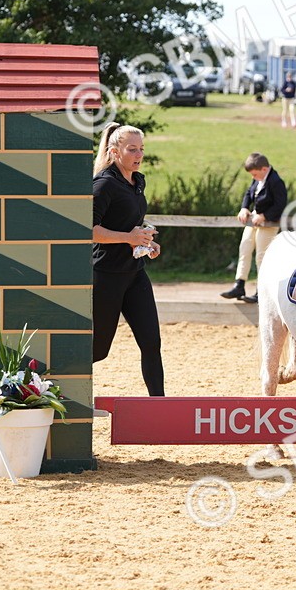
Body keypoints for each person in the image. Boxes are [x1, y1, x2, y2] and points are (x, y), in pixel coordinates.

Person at [92, 122, 165, 396]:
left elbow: (129, 224)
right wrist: (128, 238)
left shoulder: (137, 181)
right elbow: (89, 231)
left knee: (151, 342)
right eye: (132, 149)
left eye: (141, 149)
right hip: (106, 275)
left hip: (135, 273)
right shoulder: (103, 184)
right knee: (98, 350)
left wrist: (146, 242)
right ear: (114, 151)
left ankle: (160, 405)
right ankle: (50, 385)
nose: (139, 154)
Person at [220, 152, 288, 303]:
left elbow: (280, 204)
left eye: (255, 174)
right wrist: (244, 208)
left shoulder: (276, 182)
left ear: (264, 169)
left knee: (261, 257)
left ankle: (261, 290)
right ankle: (239, 284)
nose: (254, 177)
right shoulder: (259, 179)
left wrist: (264, 215)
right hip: (254, 221)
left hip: (269, 224)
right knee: (244, 249)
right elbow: (248, 194)